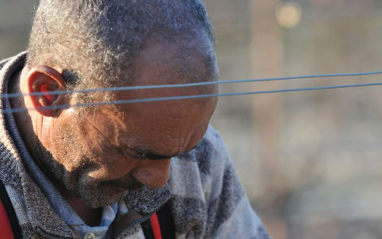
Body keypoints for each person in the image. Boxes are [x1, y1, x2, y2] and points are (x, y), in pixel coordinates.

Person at [0, 0, 270, 238]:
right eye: (137, 152)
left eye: (180, 152)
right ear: (47, 93)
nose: (159, 181)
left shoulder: (199, 160)